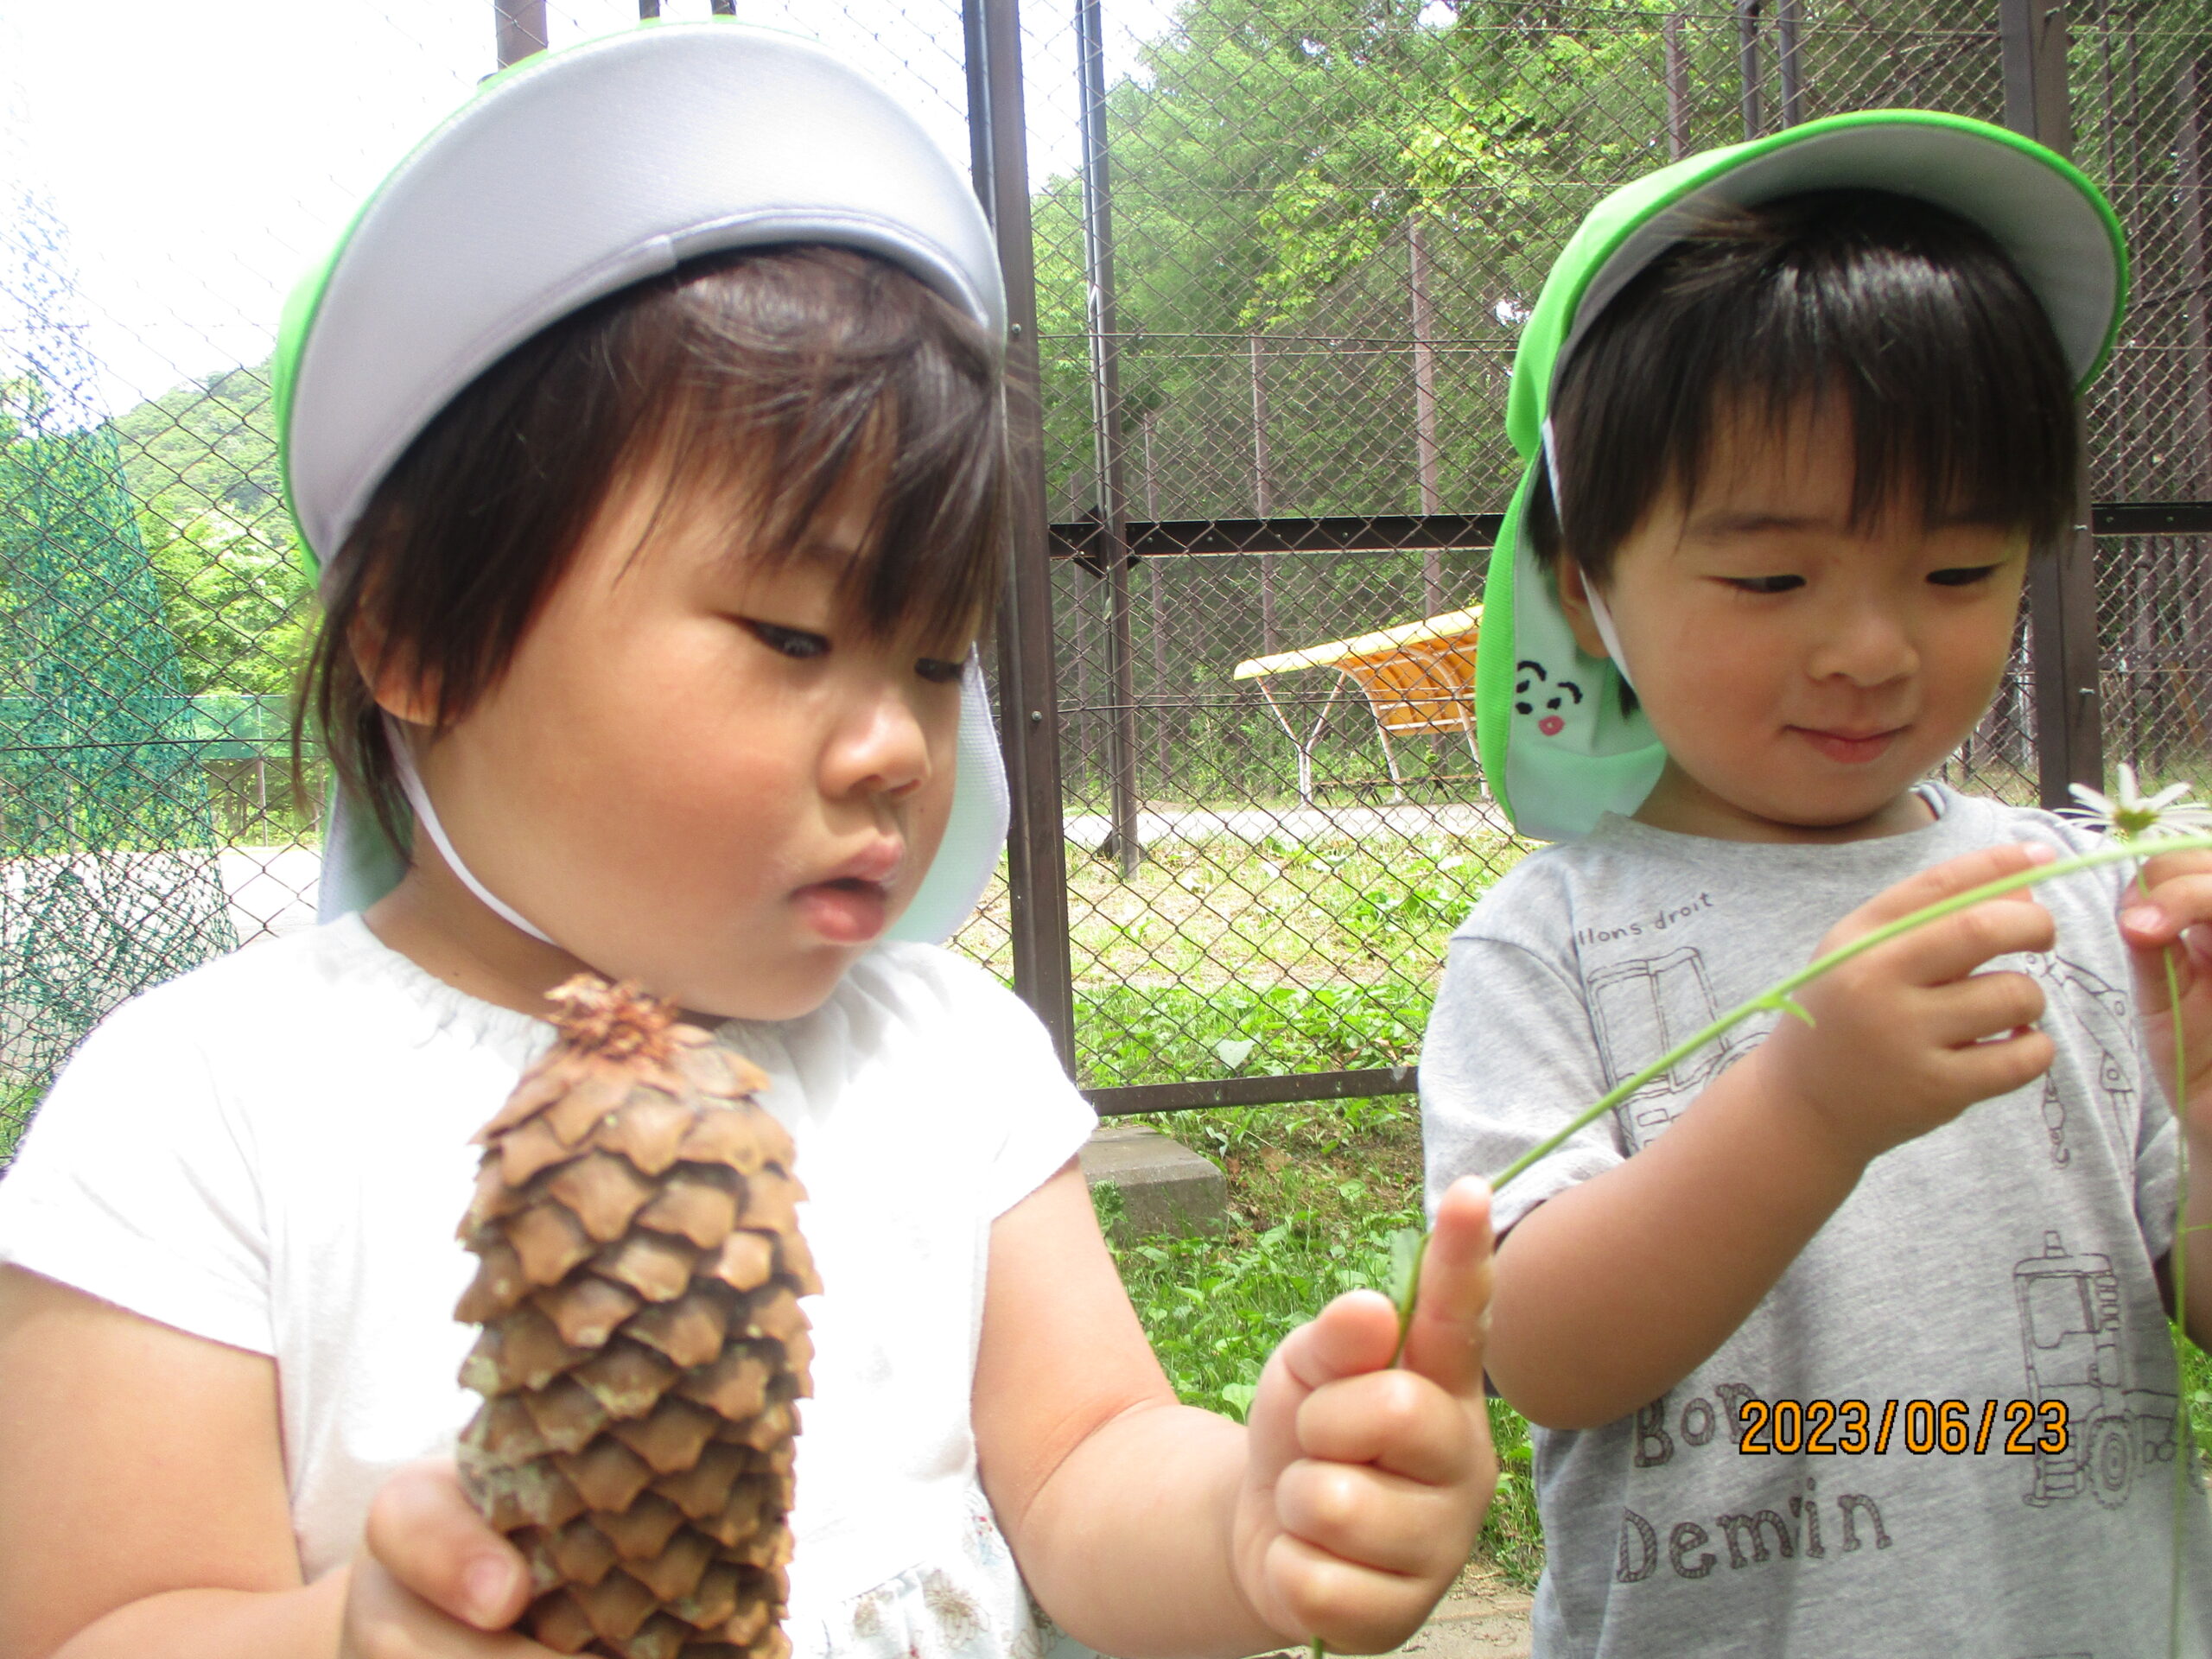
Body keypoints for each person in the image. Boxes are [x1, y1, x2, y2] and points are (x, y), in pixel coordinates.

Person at [0, 25, 1497, 1659]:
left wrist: (1249, 1519)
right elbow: (101, 1622)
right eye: (791, 637)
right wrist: (350, 1638)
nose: (899, 744)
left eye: (935, 660)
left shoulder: (949, 1063)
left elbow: (1085, 1463)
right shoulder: (208, 1115)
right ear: (417, 636)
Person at [1421, 110, 2212, 1656]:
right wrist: (1809, 1107)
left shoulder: (2072, 897)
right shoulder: (1551, 945)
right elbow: (1542, 1353)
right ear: (1585, 590)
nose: (1871, 648)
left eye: (1959, 570)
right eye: (1772, 578)